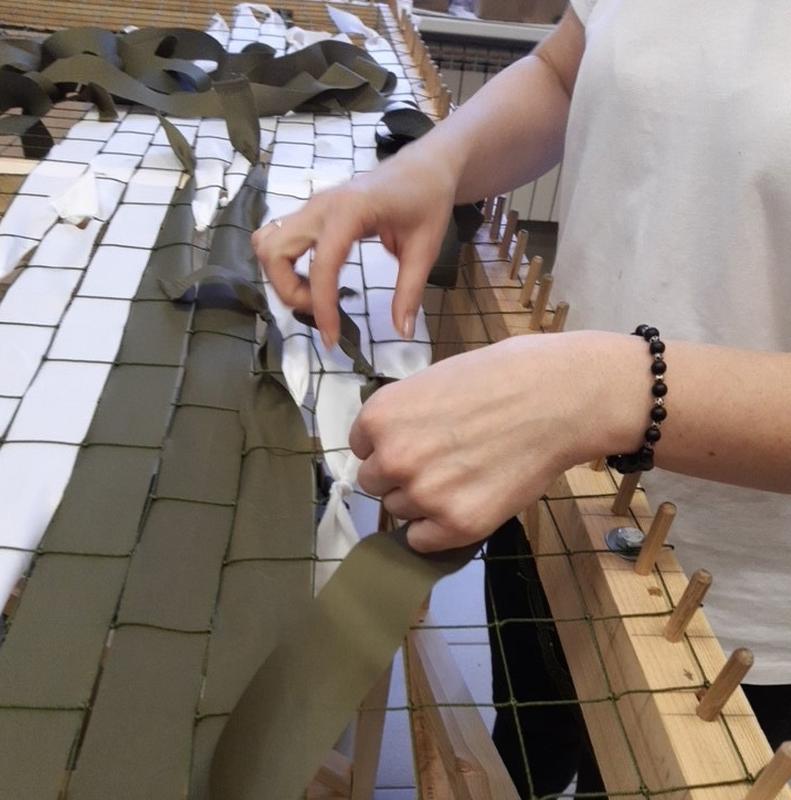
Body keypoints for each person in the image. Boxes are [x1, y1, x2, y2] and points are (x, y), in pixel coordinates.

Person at [253, 0, 791, 792]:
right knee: (530, 734)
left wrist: (607, 388)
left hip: (750, 620)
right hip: (544, 464)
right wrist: (433, 163)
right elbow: (561, 73)